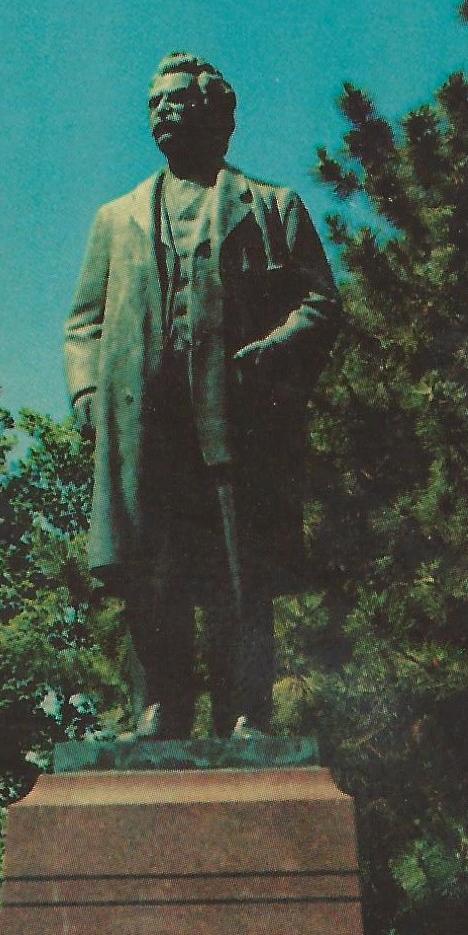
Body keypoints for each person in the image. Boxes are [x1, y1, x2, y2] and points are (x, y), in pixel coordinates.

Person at [64, 51, 341, 739]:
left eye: (178, 100)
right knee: (151, 568)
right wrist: (88, 391)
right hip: (145, 423)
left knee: (235, 570)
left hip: (236, 420)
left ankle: (246, 709)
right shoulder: (117, 217)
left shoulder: (272, 206)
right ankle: (159, 706)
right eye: (154, 102)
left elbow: (319, 304)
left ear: (218, 113)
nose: (162, 111)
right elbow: (84, 322)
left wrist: (274, 349)